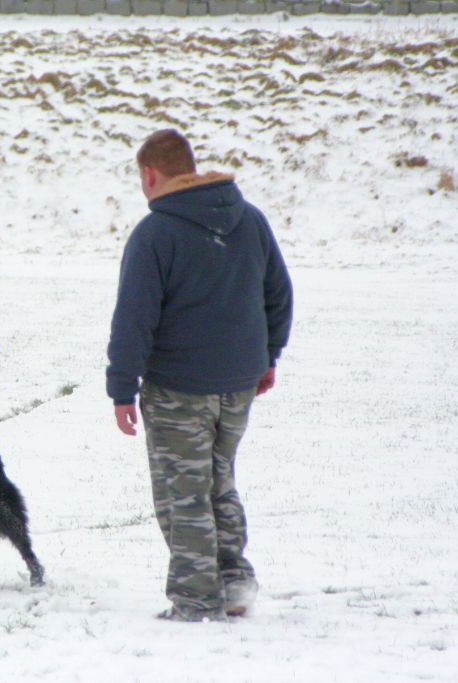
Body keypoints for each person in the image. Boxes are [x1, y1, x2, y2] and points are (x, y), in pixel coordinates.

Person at [106, 130, 293, 622]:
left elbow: (134, 318)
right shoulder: (249, 218)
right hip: (239, 383)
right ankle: (233, 583)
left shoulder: (155, 233)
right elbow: (278, 294)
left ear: (149, 174)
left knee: (182, 490)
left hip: (178, 388)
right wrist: (268, 354)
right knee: (219, 480)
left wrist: (121, 386)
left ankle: (195, 599)